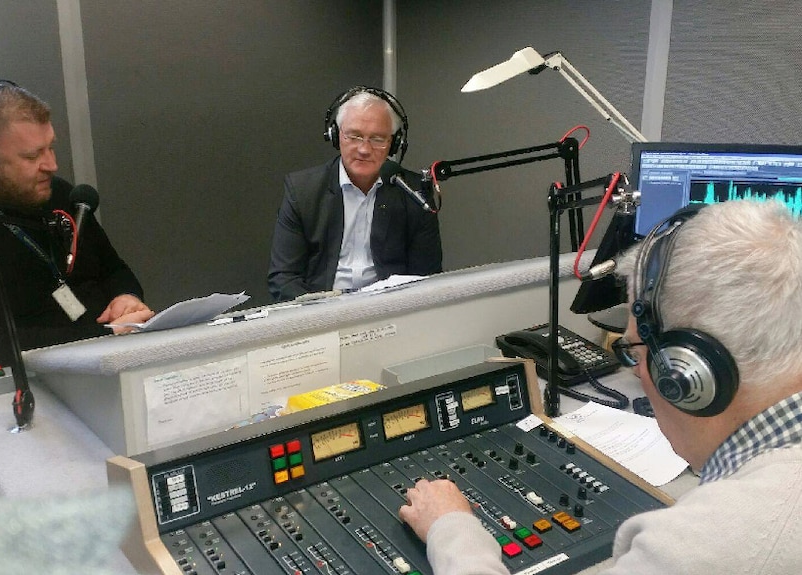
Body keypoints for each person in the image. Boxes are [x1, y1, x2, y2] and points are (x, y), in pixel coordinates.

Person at [399, 199, 802, 574]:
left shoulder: (701, 549)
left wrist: (450, 529)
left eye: (635, 352)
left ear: (686, 374)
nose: (637, 370)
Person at [0, 81, 153, 373]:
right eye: (32, 156)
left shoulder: (61, 196)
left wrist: (126, 297)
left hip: (108, 360)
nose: (51, 165)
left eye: (50, 148)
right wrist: (105, 336)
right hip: (37, 378)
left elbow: (114, 269)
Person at [267, 86, 442, 302]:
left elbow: (427, 277)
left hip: (391, 311)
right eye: (354, 136)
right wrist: (319, 315)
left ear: (394, 144)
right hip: (321, 312)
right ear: (335, 135)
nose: (364, 149)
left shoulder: (413, 192)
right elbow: (283, 278)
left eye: (377, 139)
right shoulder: (303, 190)